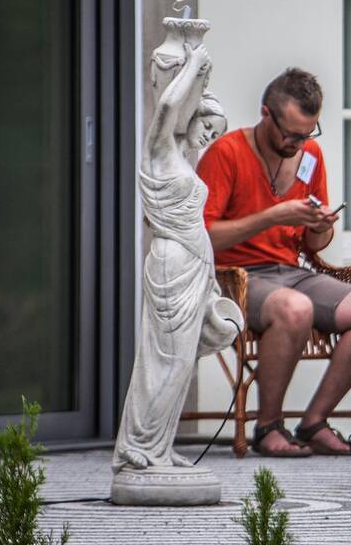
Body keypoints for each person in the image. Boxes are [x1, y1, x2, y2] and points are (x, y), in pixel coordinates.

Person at [197, 68, 351, 457]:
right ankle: (268, 427)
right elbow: (204, 237)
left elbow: (314, 244)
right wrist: (272, 216)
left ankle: (314, 422)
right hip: (234, 278)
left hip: (291, 271)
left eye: (307, 134)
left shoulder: (310, 155)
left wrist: (320, 226)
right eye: (291, 134)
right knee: (294, 308)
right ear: (266, 114)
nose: (297, 143)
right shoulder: (227, 153)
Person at [114, 45, 240, 472]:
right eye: (207, 125)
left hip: (193, 268)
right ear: (192, 116)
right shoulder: (161, 149)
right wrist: (194, 66)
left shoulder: (184, 160)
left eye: (217, 132)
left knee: (181, 363)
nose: (210, 136)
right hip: (171, 265)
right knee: (163, 361)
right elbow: (167, 103)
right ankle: (137, 446)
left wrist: (210, 285)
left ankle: (159, 447)